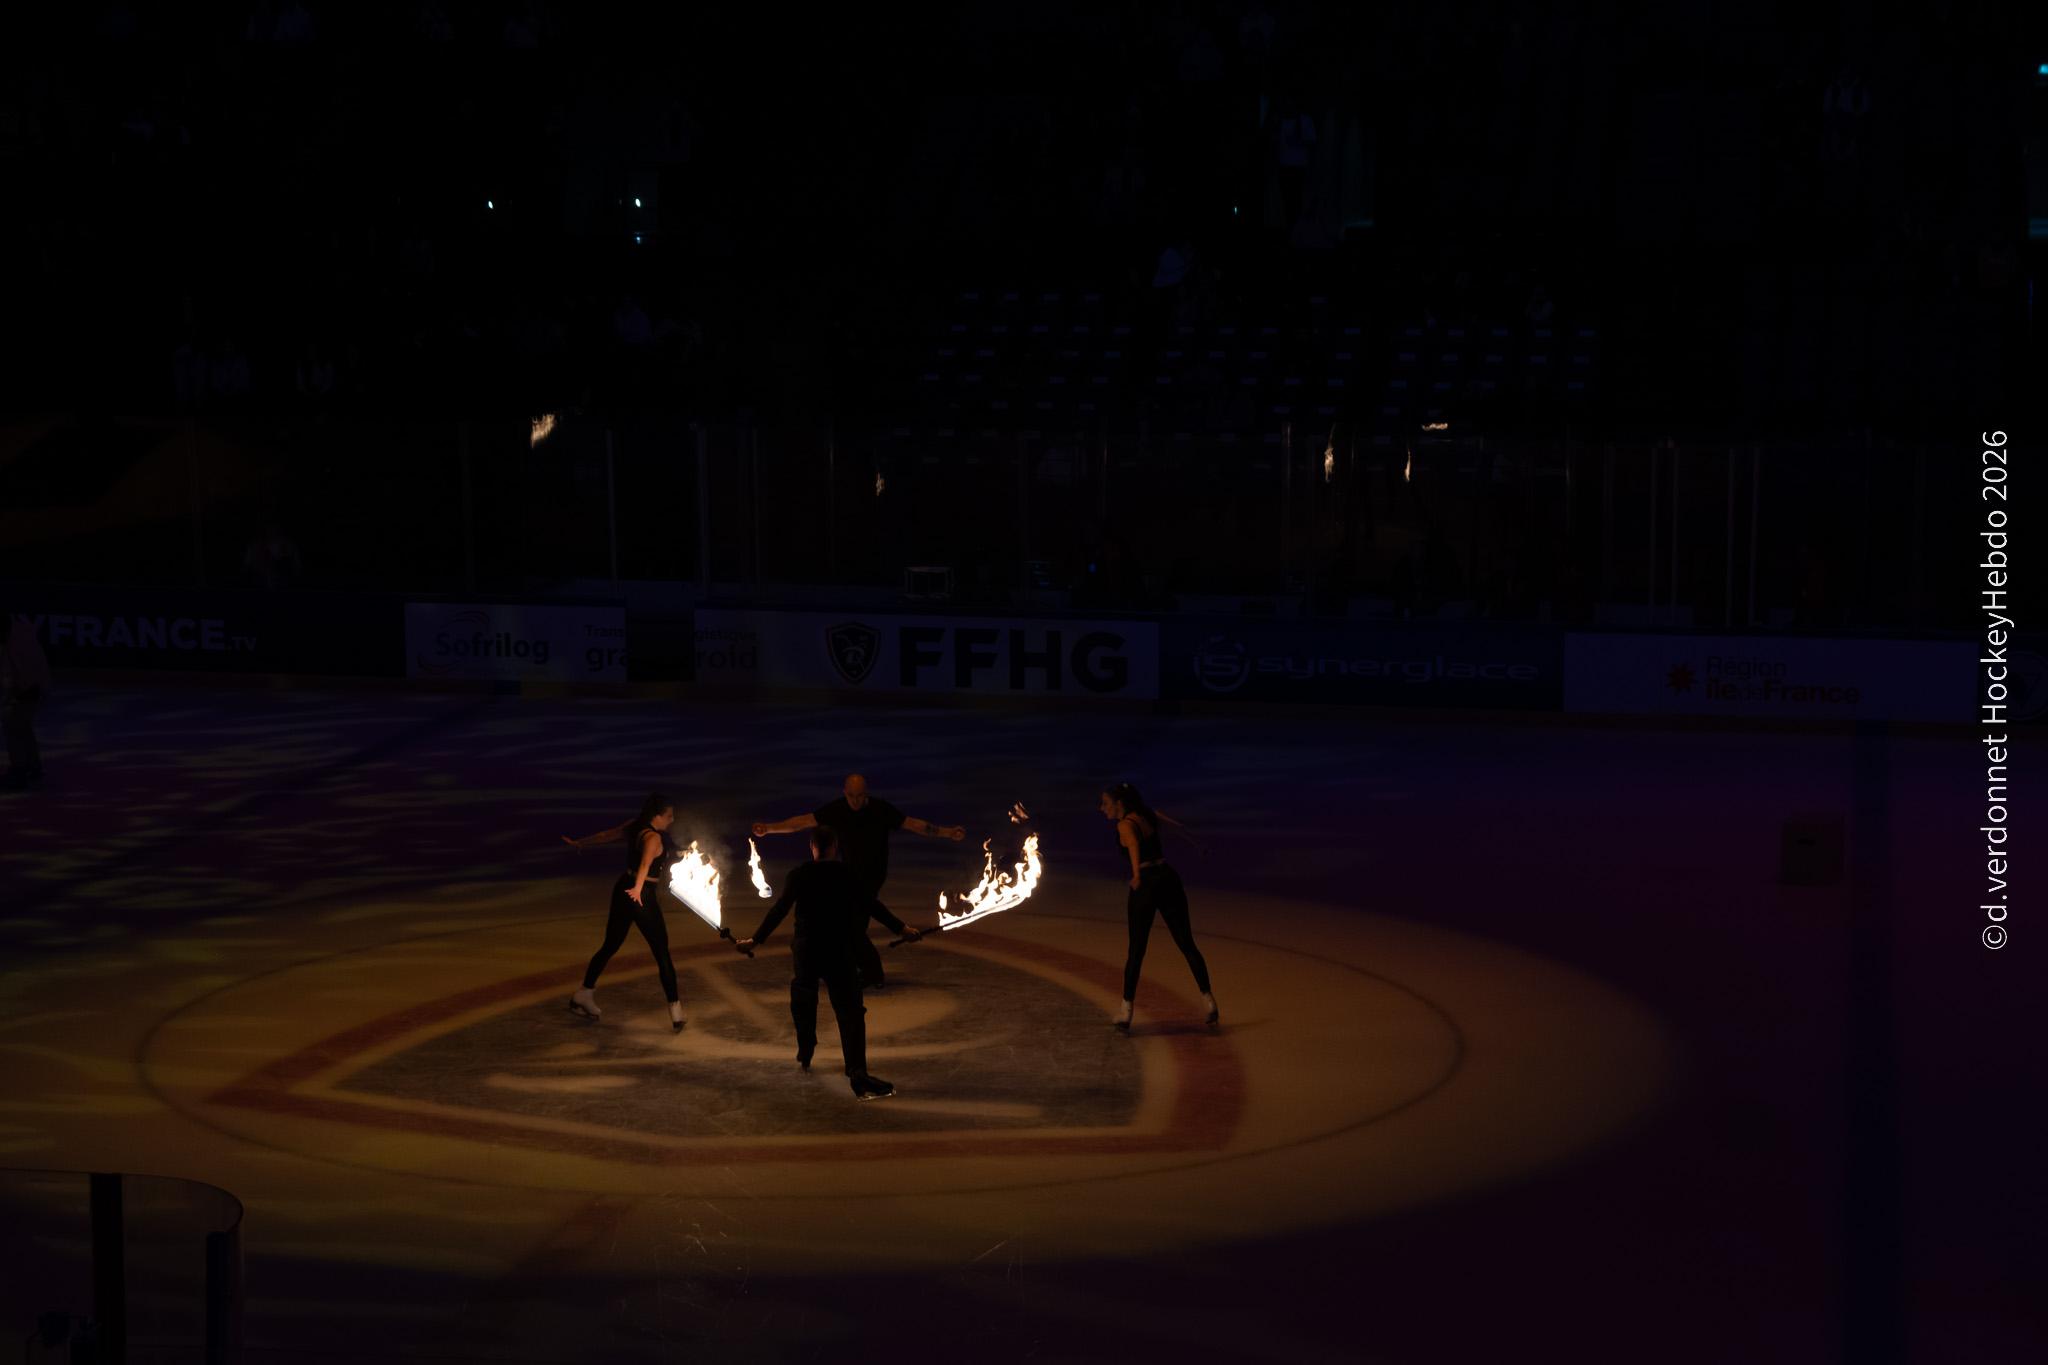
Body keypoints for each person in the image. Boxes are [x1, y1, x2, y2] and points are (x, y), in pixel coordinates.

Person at [734, 825, 911, 1100]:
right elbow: (872, 905)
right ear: (835, 847)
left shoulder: (799, 874)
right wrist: (902, 928)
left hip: (807, 950)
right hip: (838, 950)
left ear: (812, 847)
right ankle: (857, 1073)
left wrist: (755, 940)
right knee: (850, 1012)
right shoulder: (849, 873)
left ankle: (805, 1050)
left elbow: (780, 910)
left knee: (803, 1000)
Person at [751, 774, 964, 989]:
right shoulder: (837, 809)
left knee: (854, 922)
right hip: (847, 875)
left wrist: (947, 832)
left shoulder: (880, 809)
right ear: (845, 793)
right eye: (851, 796)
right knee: (850, 923)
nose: (855, 801)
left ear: (866, 794)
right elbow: (803, 822)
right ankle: (860, 968)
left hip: (872, 875)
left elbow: (913, 824)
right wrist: (769, 828)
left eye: (859, 796)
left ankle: (870, 973)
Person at [562, 792, 687, 1031]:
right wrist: (638, 889)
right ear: (657, 816)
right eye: (669, 816)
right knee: (661, 952)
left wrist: (581, 843)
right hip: (640, 895)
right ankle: (676, 1012)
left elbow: (606, 835)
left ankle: (583, 994)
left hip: (622, 889)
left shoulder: (634, 826)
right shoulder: (653, 838)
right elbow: (645, 864)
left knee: (610, 945)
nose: (672, 820)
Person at [1099, 782, 1216, 1031]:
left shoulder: (1124, 825)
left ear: (1119, 803)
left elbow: (1133, 845)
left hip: (1146, 885)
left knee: (1136, 951)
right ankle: (1209, 1002)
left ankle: (1126, 1011)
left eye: (1106, 803)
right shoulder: (1148, 814)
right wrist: (1197, 844)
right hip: (1168, 879)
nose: (1102, 808)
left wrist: (1136, 874)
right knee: (1187, 943)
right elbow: (1179, 827)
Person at [1, 609, 51, 790]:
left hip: (30, 689)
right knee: (21, 726)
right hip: (32, 687)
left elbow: (15, 676)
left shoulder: (16, 642)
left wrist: (10, 696)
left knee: (13, 726)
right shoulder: (18, 631)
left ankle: (20, 770)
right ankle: (32, 766)